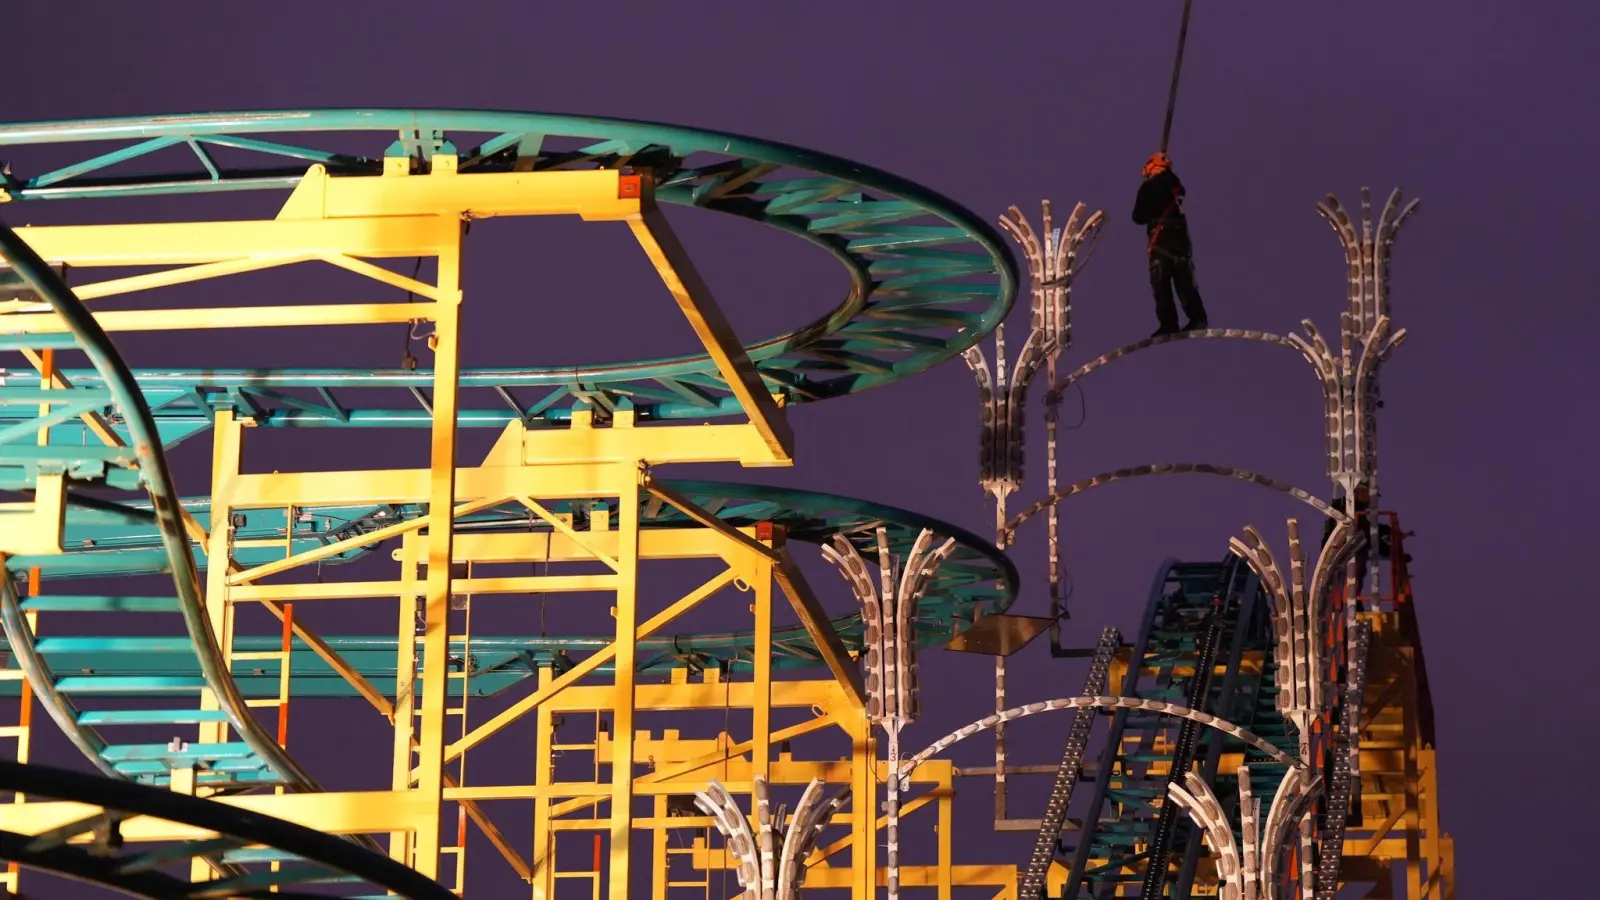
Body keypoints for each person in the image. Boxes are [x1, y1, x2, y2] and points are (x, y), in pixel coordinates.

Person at [1132, 152, 1209, 336]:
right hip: (1180, 240)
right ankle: (1197, 318)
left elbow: (1138, 217)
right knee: (1184, 282)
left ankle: (1169, 324)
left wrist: (1147, 194)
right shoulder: (1175, 184)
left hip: (1161, 241)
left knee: (1161, 284)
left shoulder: (1148, 187)